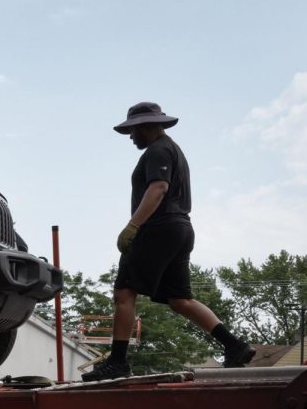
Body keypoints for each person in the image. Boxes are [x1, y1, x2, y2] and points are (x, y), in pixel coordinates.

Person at [82, 102, 254, 381]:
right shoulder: (173, 149)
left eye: (133, 130)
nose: (131, 137)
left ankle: (117, 362)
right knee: (180, 299)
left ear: (146, 126)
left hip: (158, 228)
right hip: (181, 229)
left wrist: (133, 225)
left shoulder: (158, 150)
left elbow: (158, 188)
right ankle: (234, 345)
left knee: (124, 293)